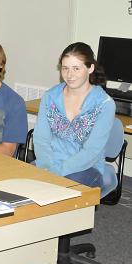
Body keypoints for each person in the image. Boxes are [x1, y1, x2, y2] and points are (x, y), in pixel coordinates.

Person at [34, 42, 115, 196]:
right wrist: (45, 166)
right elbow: (41, 138)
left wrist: (56, 171)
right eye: (65, 68)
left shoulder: (104, 104)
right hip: (49, 164)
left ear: (90, 68)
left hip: (86, 168)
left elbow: (91, 152)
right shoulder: (50, 97)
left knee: (57, 193)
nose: (69, 75)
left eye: (76, 68)